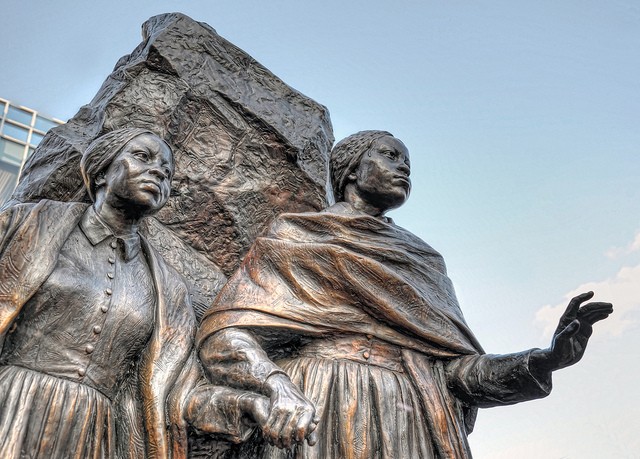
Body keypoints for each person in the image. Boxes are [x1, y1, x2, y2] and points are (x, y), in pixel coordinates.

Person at [196, 130, 613, 458]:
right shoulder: (295, 236)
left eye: (408, 162)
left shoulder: (423, 260)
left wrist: (546, 359)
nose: (404, 168)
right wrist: (277, 387)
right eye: (390, 156)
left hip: (412, 410)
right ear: (352, 171)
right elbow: (225, 336)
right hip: (320, 396)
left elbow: (457, 373)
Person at [0, 128, 268, 458]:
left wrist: (248, 403)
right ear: (101, 173)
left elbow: (179, 391)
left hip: (94, 431)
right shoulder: (25, 225)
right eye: (142, 157)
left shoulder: (168, 289)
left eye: (167, 172)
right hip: (13, 402)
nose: (157, 171)